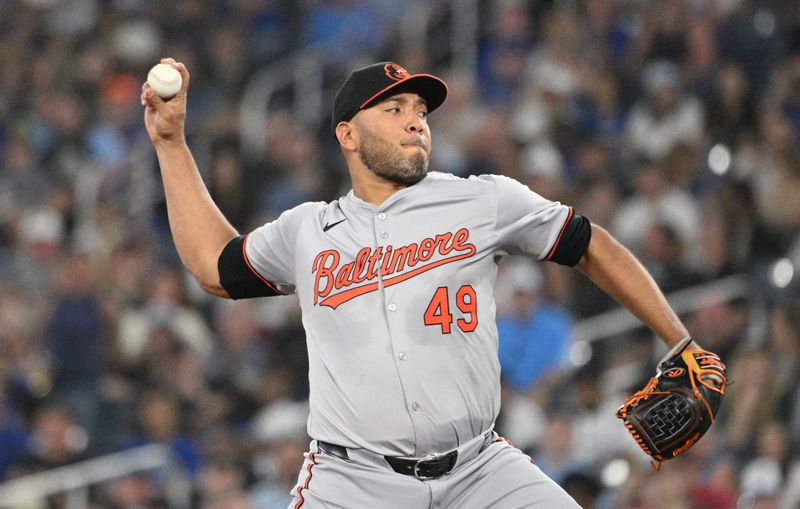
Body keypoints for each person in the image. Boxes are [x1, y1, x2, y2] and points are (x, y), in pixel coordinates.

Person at [141, 58, 709, 508]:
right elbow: (214, 266)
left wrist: (681, 343)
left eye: (420, 109)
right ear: (348, 135)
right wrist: (170, 144)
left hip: (481, 469)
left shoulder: (483, 199)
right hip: (351, 482)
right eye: (393, 108)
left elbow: (590, 245)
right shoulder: (307, 230)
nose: (416, 119)